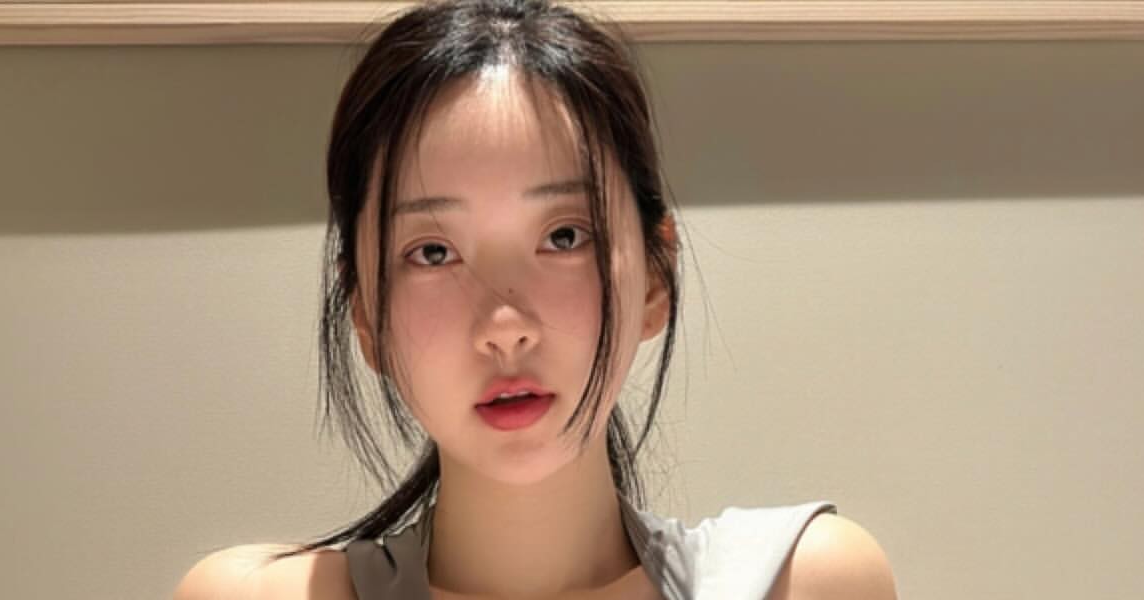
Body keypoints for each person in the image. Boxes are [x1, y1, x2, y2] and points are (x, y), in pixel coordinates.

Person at [175, 0, 897, 598]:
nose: (504, 327)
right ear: (365, 317)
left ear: (655, 276)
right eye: (433, 253)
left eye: (564, 237)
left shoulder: (803, 582)